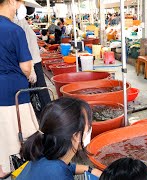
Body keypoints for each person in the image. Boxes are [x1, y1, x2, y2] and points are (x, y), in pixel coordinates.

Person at [17, 97, 102, 179]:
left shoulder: (42, 151)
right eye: (89, 126)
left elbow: (64, 167)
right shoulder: (60, 176)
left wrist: (90, 169)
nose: (90, 128)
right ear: (76, 136)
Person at [0, 0, 39, 178]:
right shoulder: (14, 30)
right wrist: (30, 73)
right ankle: (17, 169)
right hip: (12, 92)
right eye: (20, 1)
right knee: (17, 134)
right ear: (11, 2)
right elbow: (25, 66)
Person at [14, 2, 51, 119]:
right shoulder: (16, 21)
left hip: (34, 61)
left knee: (40, 91)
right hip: (31, 63)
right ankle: (44, 117)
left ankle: (46, 116)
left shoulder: (21, 21)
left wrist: (39, 48)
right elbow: (23, 46)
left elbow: (29, 41)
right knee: (39, 92)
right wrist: (30, 70)